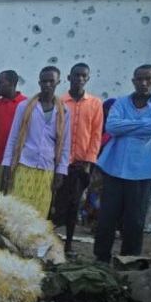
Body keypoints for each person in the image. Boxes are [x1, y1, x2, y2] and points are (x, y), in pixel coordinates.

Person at [93, 65, 151, 263]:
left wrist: (126, 126)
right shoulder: (120, 102)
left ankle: (128, 260)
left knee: (135, 221)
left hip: (142, 171)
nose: (144, 83)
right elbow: (111, 126)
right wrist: (144, 124)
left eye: (149, 79)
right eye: (140, 79)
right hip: (114, 168)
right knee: (106, 218)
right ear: (133, 81)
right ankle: (101, 258)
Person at [0, 66, 72, 218]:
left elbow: (65, 144)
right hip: (24, 164)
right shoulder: (25, 106)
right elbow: (13, 137)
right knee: (16, 211)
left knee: (39, 213)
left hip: (47, 169)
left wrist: (61, 171)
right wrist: (7, 164)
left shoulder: (64, 111)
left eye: (51, 81)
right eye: (44, 81)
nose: (47, 85)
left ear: (58, 82)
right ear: (39, 82)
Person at [51, 63, 105, 255]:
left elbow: (96, 134)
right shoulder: (59, 101)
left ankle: (69, 243)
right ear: (69, 77)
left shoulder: (95, 104)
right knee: (56, 203)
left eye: (83, 76)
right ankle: (50, 240)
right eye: (76, 75)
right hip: (59, 163)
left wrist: (89, 162)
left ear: (87, 78)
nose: (80, 79)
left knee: (74, 204)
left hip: (80, 163)